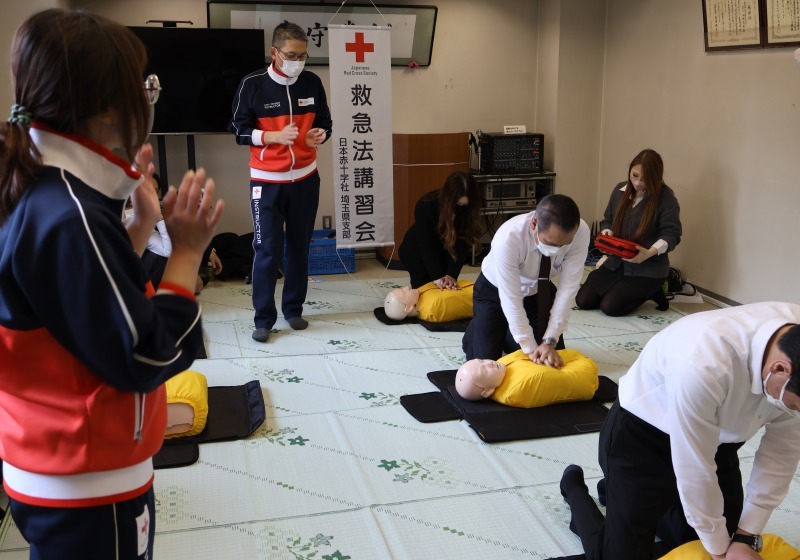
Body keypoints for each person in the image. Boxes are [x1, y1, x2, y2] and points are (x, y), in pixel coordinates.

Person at [0, 9, 224, 559]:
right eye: (142, 88)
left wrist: (140, 229)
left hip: (60, 466)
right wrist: (187, 252)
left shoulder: (40, 186)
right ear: (107, 109)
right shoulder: (69, 212)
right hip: (89, 480)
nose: (148, 101)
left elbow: (79, 308)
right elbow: (143, 355)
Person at [559, 302, 800, 560]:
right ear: (780, 369)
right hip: (640, 437)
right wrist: (719, 554)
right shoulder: (703, 362)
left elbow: (782, 454)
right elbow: (695, 468)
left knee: (715, 535)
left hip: (719, 439)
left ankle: (619, 494)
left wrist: (745, 538)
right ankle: (574, 489)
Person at [229, 22, 333, 343]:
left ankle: (293, 309)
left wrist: (320, 134)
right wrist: (272, 137)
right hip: (266, 182)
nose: (297, 62)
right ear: (274, 52)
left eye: (303, 56)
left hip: (306, 179)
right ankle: (264, 319)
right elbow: (238, 129)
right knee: (267, 250)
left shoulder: (312, 82)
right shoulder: (252, 84)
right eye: (291, 55)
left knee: (300, 248)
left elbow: (325, 122)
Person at [461, 194, 589, 368]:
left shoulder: (581, 232)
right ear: (534, 224)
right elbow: (511, 298)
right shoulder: (509, 237)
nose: (557, 249)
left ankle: (506, 332)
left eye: (564, 244)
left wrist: (550, 340)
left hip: (538, 292)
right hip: (494, 292)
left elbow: (568, 289)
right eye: (550, 243)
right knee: (487, 364)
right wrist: (530, 348)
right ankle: (478, 328)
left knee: (548, 361)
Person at [575, 148, 681, 316]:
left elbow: (671, 234)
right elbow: (608, 219)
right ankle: (619, 287)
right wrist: (607, 232)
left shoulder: (666, 198)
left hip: (648, 268)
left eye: (645, 179)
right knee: (583, 300)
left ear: (656, 178)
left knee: (610, 307)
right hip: (618, 262)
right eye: (635, 175)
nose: (637, 183)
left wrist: (648, 253)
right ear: (630, 170)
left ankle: (653, 291)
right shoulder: (620, 190)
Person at [398, 171, 482, 290]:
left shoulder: (469, 208)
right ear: (448, 197)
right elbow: (426, 245)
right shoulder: (425, 205)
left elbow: (462, 243)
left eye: (464, 205)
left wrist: (451, 275)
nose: (460, 208)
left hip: (445, 250)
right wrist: (437, 278)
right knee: (424, 290)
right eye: (457, 204)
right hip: (417, 252)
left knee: (447, 287)